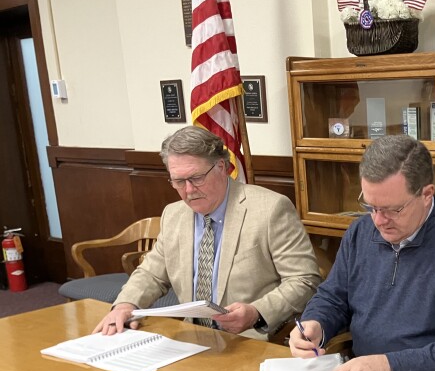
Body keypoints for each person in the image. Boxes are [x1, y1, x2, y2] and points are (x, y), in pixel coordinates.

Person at [289, 134, 435, 371]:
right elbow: (334, 297)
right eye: (370, 206)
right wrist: (316, 324)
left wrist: (390, 366)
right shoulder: (360, 232)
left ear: (427, 194)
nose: (379, 220)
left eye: (393, 209)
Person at [93, 126, 322, 339]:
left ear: (221, 168)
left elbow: (304, 280)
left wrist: (256, 312)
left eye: (196, 178)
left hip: (250, 338)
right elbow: (151, 274)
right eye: (179, 181)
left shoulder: (270, 209)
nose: (189, 190)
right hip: (192, 337)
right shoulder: (173, 215)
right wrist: (125, 305)